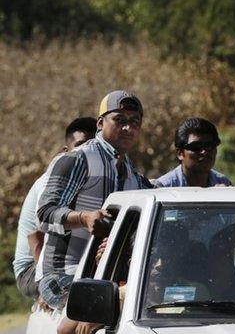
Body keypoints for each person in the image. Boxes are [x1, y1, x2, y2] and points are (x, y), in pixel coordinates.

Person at [36, 90, 152, 310]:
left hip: (103, 276)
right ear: (100, 123)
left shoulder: (133, 176)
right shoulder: (78, 159)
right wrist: (83, 218)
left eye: (134, 122)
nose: (128, 128)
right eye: (119, 120)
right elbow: (44, 213)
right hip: (63, 275)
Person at [12, 117, 97, 303]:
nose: (86, 150)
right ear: (66, 151)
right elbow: (35, 237)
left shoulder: (94, 176)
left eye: (93, 145)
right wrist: (45, 284)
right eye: (81, 144)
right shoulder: (52, 179)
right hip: (31, 269)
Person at [154, 117, 231, 188]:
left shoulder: (224, 185)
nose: (204, 152)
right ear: (180, 153)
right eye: (196, 147)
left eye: (210, 146)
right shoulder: (164, 188)